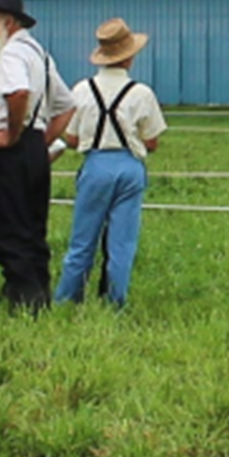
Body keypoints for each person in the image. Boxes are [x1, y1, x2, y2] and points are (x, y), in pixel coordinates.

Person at [56, 19, 166, 309]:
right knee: (122, 244)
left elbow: (70, 136)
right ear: (129, 56)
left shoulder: (82, 89)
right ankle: (114, 302)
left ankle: (68, 299)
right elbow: (152, 141)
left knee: (82, 240)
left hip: (94, 165)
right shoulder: (141, 93)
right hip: (129, 166)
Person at [0, 0, 62, 310]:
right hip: (34, 148)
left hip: (14, 147)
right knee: (33, 226)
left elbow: (18, 93)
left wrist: (13, 135)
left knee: (8, 227)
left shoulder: (11, 55)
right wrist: (40, 141)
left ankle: (25, 299)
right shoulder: (40, 55)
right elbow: (67, 106)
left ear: (8, 23)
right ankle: (39, 293)